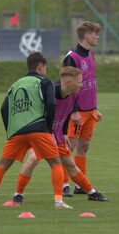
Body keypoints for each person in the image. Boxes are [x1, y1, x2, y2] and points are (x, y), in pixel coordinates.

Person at [0, 52, 72, 210]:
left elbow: (4, 108)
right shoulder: (44, 82)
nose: (45, 70)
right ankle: (58, 202)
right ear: (40, 67)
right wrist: (49, 129)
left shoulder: (15, 84)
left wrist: (10, 130)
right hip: (39, 129)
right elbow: (51, 105)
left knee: (2, 165)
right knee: (56, 162)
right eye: (45, 67)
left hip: (17, 132)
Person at [12, 67, 108, 204]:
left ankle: (92, 193)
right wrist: (47, 134)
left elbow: (67, 114)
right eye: (79, 82)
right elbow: (38, 115)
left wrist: (63, 133)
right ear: (69, 82)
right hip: (41, 134)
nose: (82, 85)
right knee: (33, 159)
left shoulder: (74, 94)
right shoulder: (49, 93)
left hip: (57, 135)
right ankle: (18, 195)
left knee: (70, 165)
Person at [62, 21, 102, 195]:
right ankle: (64, 185)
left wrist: (95, 107)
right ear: (87, 35)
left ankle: (80, 185)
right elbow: (67, 85)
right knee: (68, 147)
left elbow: (91, 83)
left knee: (84, 146)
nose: (98, 37)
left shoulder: (90, 55)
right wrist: (74, 110)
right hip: (77, 112)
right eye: (95, 33)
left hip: (90, 110)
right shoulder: (72, 57)